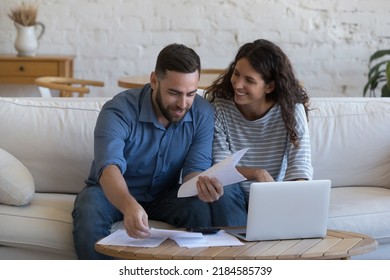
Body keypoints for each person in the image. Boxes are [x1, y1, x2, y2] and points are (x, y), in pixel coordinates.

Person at [72, 43, 247, 259]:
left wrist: (202, 185)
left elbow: (194, 170)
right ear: (154, 80)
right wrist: (128, 206)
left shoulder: (202, 113)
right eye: (174, 93)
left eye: (190, 93)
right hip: (110, 193)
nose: (183, 104)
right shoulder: (118, 110)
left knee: (199, 208)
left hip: (165, 195)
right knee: (89, 209)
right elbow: (109, 168)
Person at [204, 39, 313, 204]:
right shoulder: (219, 105)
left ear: (269, 87)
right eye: (236, 73)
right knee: (222, 187)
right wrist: (256, 172)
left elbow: (300, 168)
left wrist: (292, 200)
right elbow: (220, 168)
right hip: (231, 195)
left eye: (249, 80)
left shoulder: (291, 111)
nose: (238, 85)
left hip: (271, 197)